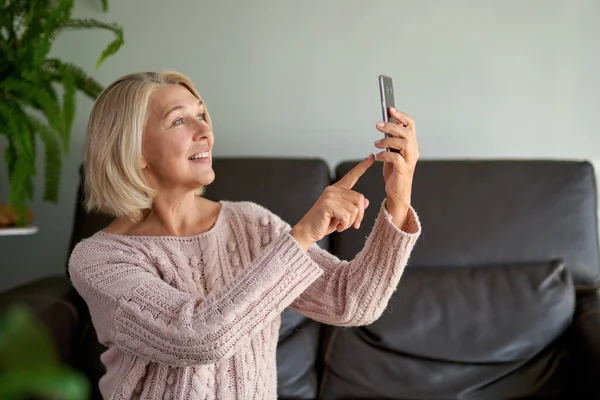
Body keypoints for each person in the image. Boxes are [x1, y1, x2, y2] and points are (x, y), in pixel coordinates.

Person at [68, 71, 422, 400]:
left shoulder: (250, 223)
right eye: (179, 120)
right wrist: (300, 237)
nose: (205, 131)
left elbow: (350, 302)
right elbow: (197, 339)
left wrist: (398, 200)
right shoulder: (100, 259)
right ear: (134, 148)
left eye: (202, 115)